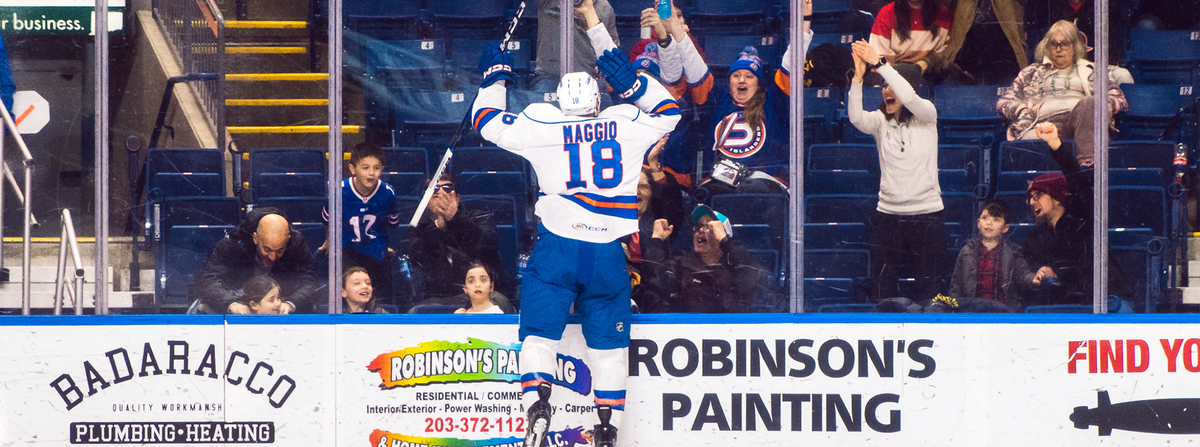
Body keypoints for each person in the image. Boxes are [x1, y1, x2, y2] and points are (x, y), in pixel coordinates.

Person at [471, 0, 681, 444]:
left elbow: (486, 122)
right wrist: (634, 82)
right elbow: (669, 113)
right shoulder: (624, 123)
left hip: (557, 248)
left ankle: (537, 404)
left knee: (538, 339)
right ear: (600, 100)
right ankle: (606, 429)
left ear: (562, 102)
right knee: (608, 349)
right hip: (608, 253)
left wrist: (494, 80)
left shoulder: (545, 124)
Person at [847, 40, 945, 303]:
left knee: (929, 288)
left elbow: (911, 97)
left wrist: (881, 65)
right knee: (882, 288)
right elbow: (856, 118)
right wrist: (858, 79)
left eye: (892, 85)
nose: (886, 90)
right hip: (888, 215)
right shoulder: (880, 122)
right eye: (883, 86)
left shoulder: (927, 115)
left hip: (926, 214)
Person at [1021, 122, 1126, 305]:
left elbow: (1077, 181)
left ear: (1057, 198)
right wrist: (1040, 271)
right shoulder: (1036, 236)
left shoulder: (1082, 218)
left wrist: (1056, 145)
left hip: (1102, 302)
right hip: (1065, 305)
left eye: (1038, 195)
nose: (1032, 202)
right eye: (1030, 197)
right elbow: (1029, 262)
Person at [996, 20, 1127, 167]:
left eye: (1064, 44)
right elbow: (1005, 101)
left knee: (1090, 103)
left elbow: (1118, 98)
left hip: (1082, 123)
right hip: (1041, 125)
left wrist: (1099, 107)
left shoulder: (1094, 71)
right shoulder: (1031, 72)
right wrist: (1023, 110)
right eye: (1054, 44)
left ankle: (1087, 167)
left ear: (1075, 46)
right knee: (1026, 141)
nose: (1059, 49)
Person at [642, 205, 775, 313]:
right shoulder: (682, 264)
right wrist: (656, 241)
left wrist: (726, 243)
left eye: (708, 227)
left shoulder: (738, 263)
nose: (700, 231)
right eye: (697, 227)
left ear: (723, 234)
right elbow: (661, 281)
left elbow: (752, 283)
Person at [192, 208, 318, 314]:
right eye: (267, 249)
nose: (272, 257)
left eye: (280, 251)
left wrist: (291, 304)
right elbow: (209, 281)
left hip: (281, 304)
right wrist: (231, 304)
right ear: (255, 238)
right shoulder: (232, 244)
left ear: (288, 239)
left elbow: (310, 282)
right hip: (236, 301)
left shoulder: (297, 244)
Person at [320, 142, 400, 304]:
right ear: (352, 169)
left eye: (376, 168)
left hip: (375, 251)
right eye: (365, 167)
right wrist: (328, 241)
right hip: (347, 250)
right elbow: (327, 220)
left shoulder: (388, 192)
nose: (371, 173)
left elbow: (392, 224)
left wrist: (386, 245)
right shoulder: (340, 190)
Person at [405, 175, 508, 301]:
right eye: (435, 194)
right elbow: (417, 257)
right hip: (436, 299)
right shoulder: (418, 229)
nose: (442, 196)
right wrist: (437, 228)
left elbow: (487, 245)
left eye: (448, 192)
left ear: (457, 198)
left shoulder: (478, 217)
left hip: (481, 296)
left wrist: (455, 219)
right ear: (427, 202)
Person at [947, 199, 1034, 312]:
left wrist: (1033, 279)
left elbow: (1024, 275)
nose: (989, 223)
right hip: (973, 314)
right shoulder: (966, 252)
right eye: (985, 218)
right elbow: (956, 286)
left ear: (1005, 227)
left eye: (996, 219)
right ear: (978, 223)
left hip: (1003, 314)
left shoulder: (1013, 253)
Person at [531, 0, 620, 90]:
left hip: (588, 79)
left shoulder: (604, 7)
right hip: (550, 76)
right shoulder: (547, 2)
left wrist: (601, 67)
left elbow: (613, 52)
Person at [867, 0, 955, 84]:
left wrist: (925, 63)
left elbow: (947, 54)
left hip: (931, 76)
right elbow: (878, 58)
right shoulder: (887, 13)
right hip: (893, 76)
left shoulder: (944, 15)